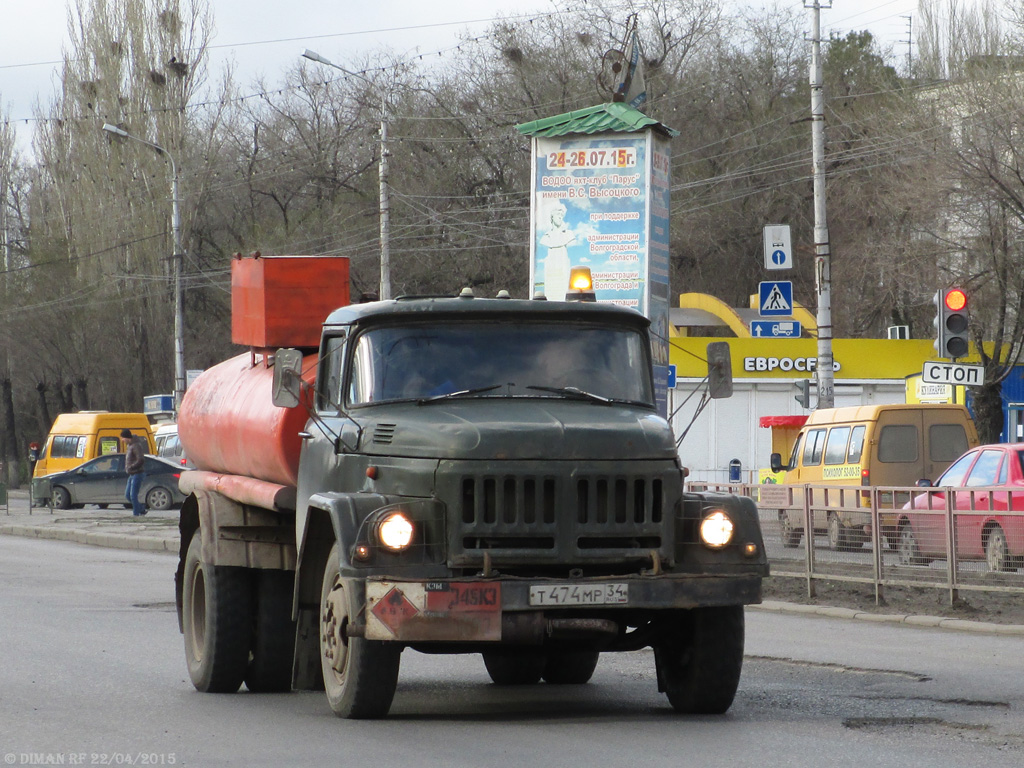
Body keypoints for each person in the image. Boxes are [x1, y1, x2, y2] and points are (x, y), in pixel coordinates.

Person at [121, 428, 147, 516]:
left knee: (133, 495)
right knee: (127, 495)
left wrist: (131, 467)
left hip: (137, 473)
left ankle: (136, 514)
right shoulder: (130, 446)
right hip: (132, 474)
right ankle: (141, 509)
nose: (122, 440)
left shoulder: (136, 446)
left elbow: (141, 459)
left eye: (123, 438)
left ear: (127, 437)